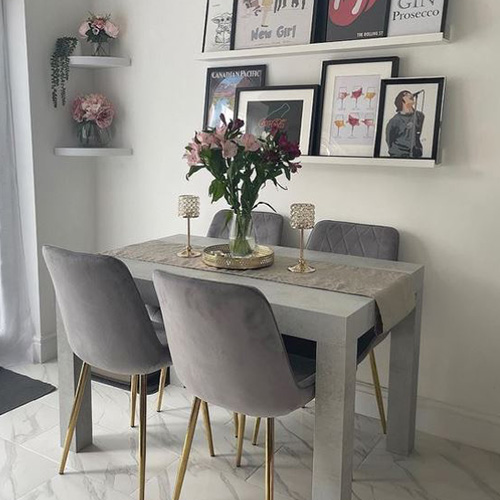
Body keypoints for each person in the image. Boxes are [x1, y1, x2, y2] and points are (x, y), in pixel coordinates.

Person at [385, 90, 425, 158]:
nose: (410, 94)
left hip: (416, 154)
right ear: (401, 100)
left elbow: (417, 133)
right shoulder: (394, 121)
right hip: (399, 154)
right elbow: (389, 139)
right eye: (406, 94)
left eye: (409, 93)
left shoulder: (419, 115)